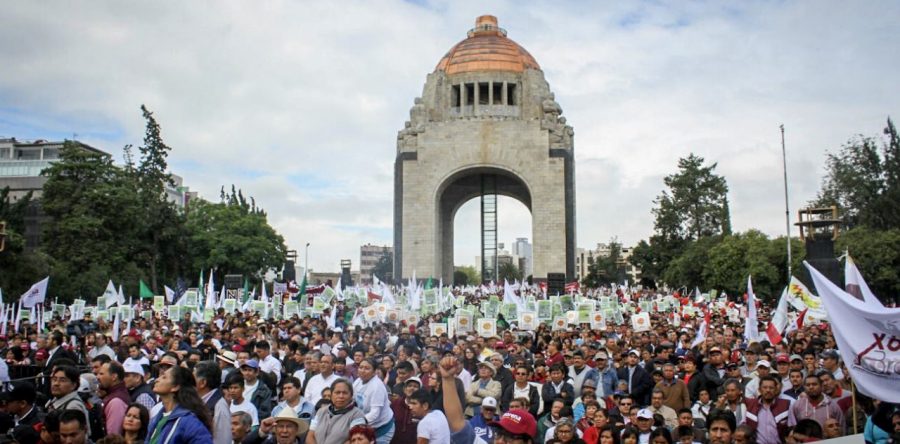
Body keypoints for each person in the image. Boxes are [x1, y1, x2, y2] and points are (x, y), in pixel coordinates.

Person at [147, 365, 214, 444]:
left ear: (175, 387)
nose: (157, 380)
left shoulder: (188, 422)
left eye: (164, 377)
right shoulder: (157, 418)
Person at [307, 379, 366, 444]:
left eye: (345, 393)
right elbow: (310, 436)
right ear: (331, 395)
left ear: (351, 395)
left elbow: (355, 440)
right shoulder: (321, 412)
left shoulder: (357, 415)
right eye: (337, 392)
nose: (341, 396)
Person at [352, 358, 394, 443]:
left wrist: (357, 422)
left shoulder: (377, 387)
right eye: (361, 367)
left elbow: (375, 413)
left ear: (374, 372)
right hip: (365, 425)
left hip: (382, 427)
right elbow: (352, 400)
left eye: (367, 368)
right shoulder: (358, 381)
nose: (363, 371)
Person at [195, 360, 233, 444]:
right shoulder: (196, 401)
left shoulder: (219, 407)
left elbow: (222, 440)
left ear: (203, 383)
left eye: (192, 378)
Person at [743, 375, 790, 444]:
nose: (768, 390)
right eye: (765, 387)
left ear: (776, 390)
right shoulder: (751, 405)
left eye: (771, 388)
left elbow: (791, 428)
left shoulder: (785, 405)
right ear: (759, 390)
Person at [46, 365, 92, 435]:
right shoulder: (55, 400)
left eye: (62, 380)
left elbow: (74, 436)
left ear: (74, 385)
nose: (56, 383)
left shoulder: (73, 406)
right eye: (54, 379)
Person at [99, 361, 132, 435]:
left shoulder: (116, 402)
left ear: (114, 377)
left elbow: (113, 436)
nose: (97, 377)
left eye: (101, 374)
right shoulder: (113, 395)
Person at [389, 377, 421, 444]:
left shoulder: (422, 408)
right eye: (409, 386)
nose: (412, 388)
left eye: (415, 386)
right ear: (404, 389)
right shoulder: (395, 404)